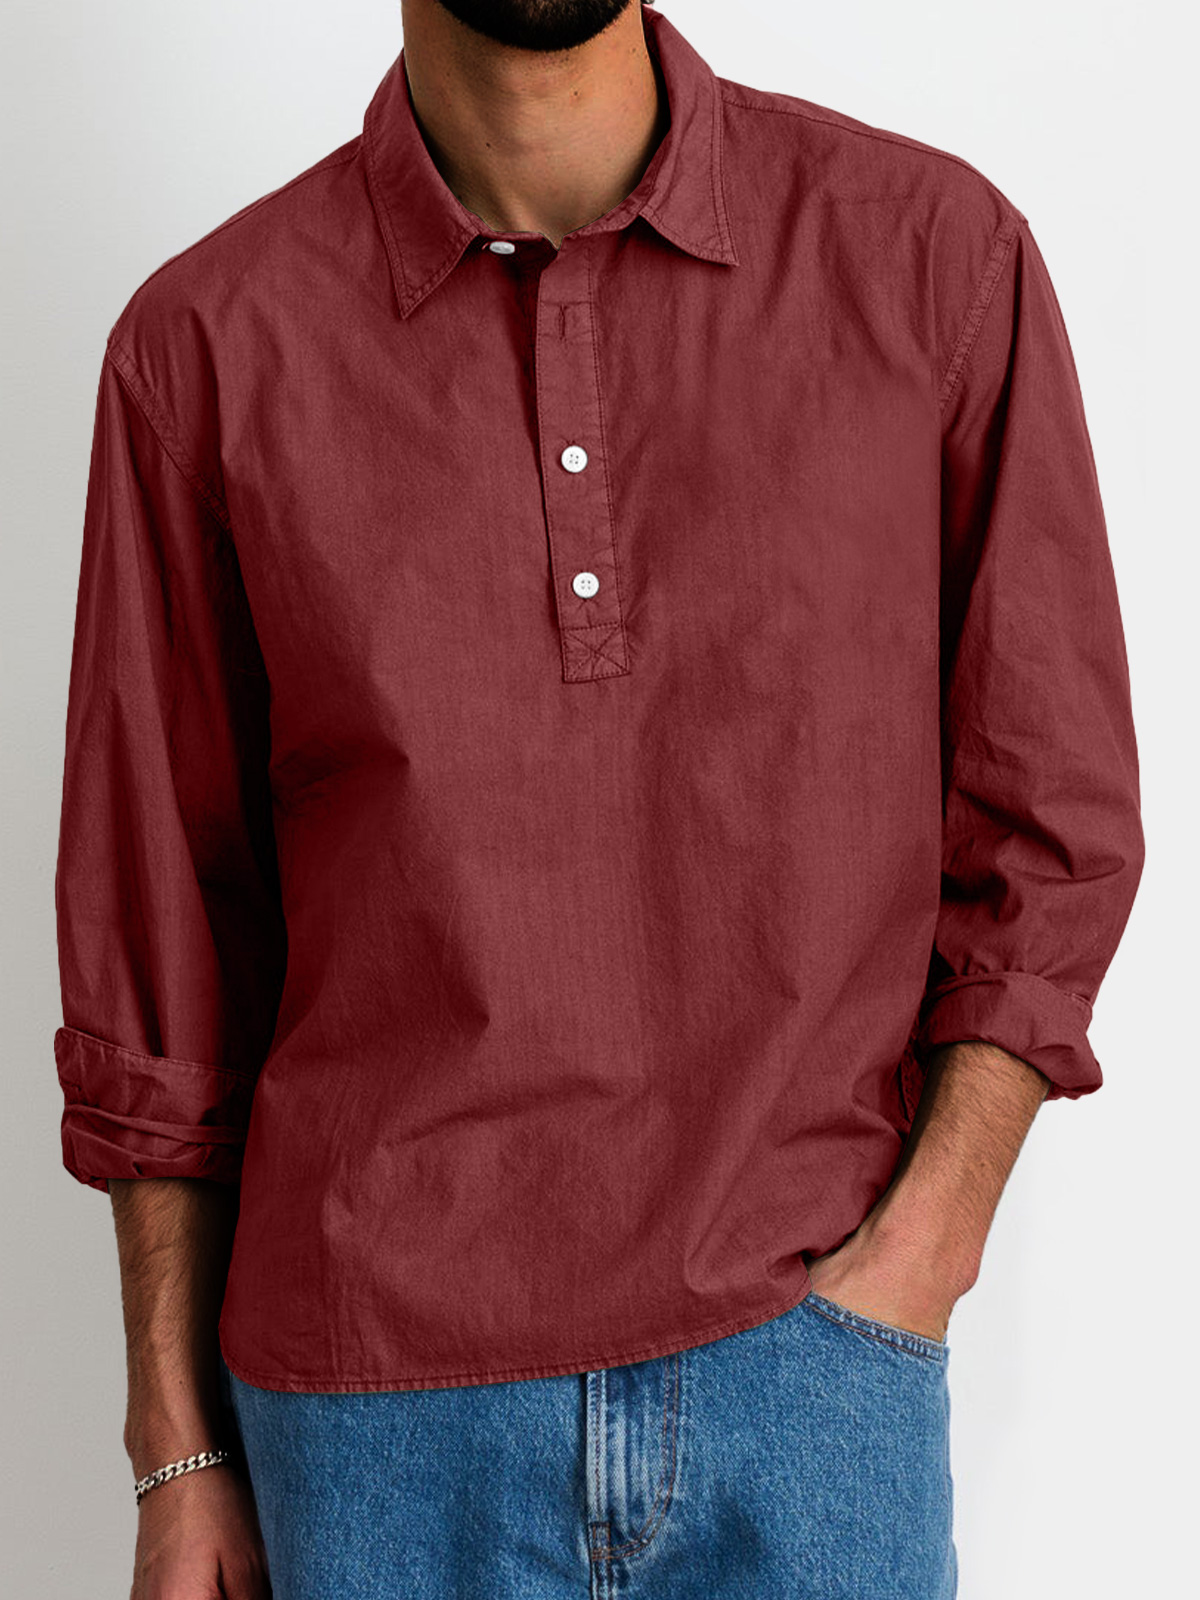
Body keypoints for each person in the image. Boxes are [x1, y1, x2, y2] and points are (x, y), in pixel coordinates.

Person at [52, 2, 1144, 1596]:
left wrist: (927, 1250)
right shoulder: (205, 343)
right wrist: (176, 1450)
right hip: (372, 1428)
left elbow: (1051, 810)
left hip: (810, 1377)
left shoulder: (927, 256)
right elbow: (157, 947)